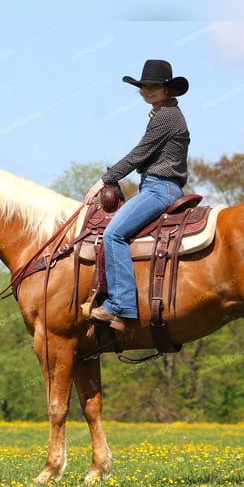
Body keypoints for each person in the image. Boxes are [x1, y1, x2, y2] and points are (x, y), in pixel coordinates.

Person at [83, 59, 190, 331]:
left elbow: (138, 155)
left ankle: (121, 305)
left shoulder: (166, 117)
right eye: (144, 86)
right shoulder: (164, 114)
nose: (148, 90)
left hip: (159, 188)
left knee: (113, 234)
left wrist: (104, 180)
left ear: (168, 90)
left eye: (155, 86)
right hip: (159, 186)